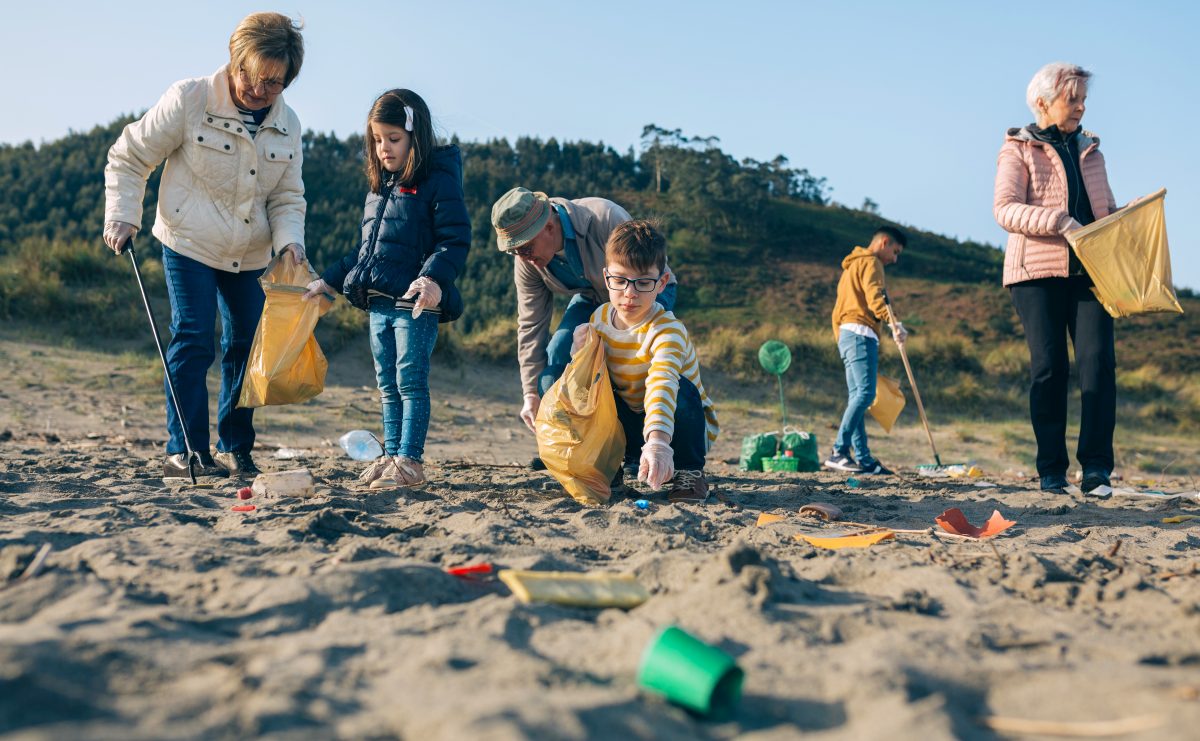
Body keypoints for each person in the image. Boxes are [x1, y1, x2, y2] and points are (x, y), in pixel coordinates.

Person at [103, 12, 307, 478]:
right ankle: (187, 450)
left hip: (251, 252)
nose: (259, 91)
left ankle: (235, 446)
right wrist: (123, 215)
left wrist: (289, 243)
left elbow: (287, 196)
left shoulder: (288, 124)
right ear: (234, 62)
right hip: (188, 239)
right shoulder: (189, 98)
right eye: (250, 77)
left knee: (245, 345)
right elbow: (130, 156)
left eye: (273, 83)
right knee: (194, 338)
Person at [303, 89, 470, 490]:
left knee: (411, 382)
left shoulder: (437, 180)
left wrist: (431, 279)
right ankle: (390, 456)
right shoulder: (379, 189)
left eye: (393, 139)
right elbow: (365, 254)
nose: (383, 149)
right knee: (387, 385)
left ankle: (409, 464)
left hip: (415, 303)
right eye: (377, 140)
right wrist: (327, 279)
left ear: (416, 135)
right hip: (378, 304)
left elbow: (455, 239)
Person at [994, 62, 1121, 493]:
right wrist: (1059, 221)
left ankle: (1098, 469)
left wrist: (1129, 216)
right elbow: (1005, 209)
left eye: (1084, 99)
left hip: (1091, 274)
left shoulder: (1093, 152)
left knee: (1098, 364)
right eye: (1074, 98)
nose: (1082, 107)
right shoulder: (1017, 148)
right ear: (1044, 102)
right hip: (1036, 273)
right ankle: (1051, 470)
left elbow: (1101, 214)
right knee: (1049, 368)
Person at [490, 188, 678, 436]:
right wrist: (531, 393)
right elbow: (530, 324)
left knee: (628, 358)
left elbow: (642, 273)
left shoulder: (605, 217)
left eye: (525, 248)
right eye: (514, 251)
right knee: (559, 350)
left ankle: (637, 438)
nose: (522, 257)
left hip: (642, 290)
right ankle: (574, 441)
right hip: (591, 297)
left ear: (548, 226)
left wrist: (617, 330)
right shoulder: (526, 261)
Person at [570, 220, 718, 502]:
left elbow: (662, 383)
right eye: (620, 280)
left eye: (643, 282)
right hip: (632, 425)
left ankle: (689, 472)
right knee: (600, 388)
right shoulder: (599, 319)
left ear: (661, 283)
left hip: (677, 428)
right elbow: (588, 386)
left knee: (681, 390)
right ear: (605, 277)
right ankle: (610, 470)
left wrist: (659, 442)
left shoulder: (667, 330)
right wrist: (580, 356)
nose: (630, 293)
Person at [825, 226, 908, 475]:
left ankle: (864, 459)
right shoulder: (872, 263)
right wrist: (895, 323)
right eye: (895, 251)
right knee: (864, 394)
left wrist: (842, 336)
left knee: (857, 397)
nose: (895, 259)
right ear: (884, 243)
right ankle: (839, 451)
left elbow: (838, 309)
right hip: (861, 332)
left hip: (847, 334)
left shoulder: (851, 266)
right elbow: (876, 299)